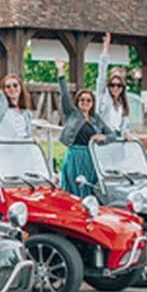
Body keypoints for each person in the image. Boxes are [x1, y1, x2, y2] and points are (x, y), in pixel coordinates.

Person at [55, 58, 116, 197]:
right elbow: (64, 94)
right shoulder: (72, 114)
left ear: (92, 103)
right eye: (82, 99)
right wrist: (61, 71)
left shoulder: (96, 119)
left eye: (89, 100)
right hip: (75, 155)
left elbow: (112, 135)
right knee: (74, 186)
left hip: (91, 156)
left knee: (89, 186)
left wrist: (103, 137)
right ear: (77, 101)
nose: (85, 102)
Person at [96, 33, 131, 137]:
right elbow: (102, 72)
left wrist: (126, 134)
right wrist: (106, 48)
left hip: (117, 137)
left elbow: (124, 126)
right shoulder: (103, 96)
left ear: (122, 88)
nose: (115, 88)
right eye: (112, 85)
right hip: (105, 136)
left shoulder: (123, 104)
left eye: (119, 85)